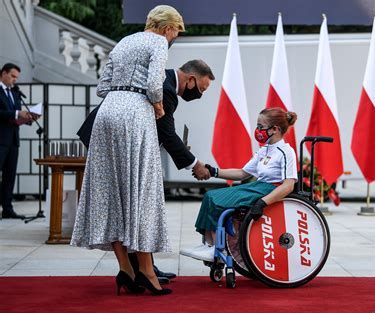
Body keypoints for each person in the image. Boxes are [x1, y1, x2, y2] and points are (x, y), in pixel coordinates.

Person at [70, 5, 184, 296]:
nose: (173, 40)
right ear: (168, 28)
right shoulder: (158, 42)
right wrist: (157, 106)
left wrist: (120, 96)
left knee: (111, 190)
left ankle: (126, 269)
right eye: (176, 34)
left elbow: (102, 85)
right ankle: (146, 271)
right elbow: (154, 83)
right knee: (140, 191)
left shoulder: (124, 41)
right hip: (135, 112)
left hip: (107, 110)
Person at [128, 59, 215, 282]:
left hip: (129, 147)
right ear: (191, 79)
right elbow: (167, 133)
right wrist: (195, 164)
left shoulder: (164, 82)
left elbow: (159, 131)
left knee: (138, 210)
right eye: (201, 89)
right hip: (121, 148)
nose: (200, 95)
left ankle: (145, 267)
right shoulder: (166, 89)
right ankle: (141, 269)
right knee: (139, 211)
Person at [180, 108, 298, 261]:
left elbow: (289, 185)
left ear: (275, 129)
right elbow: (242, 173)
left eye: (261, 127)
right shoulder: (265, 150)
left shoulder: (286, 152)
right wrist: (213, 171)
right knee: (210, 196)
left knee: (217, 201)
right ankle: (209, 245)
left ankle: (218, 248)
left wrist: (263, 202)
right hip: (258, 186)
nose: (258, 131)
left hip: (270, 189)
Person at [0, 63, 37, 220]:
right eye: (13, 76)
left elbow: (16, 116)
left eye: (17, 77)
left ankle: (7, 209)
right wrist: (17, 113)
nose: (15, 80)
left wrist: (29, 118)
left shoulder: (14, 93)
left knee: (10, 176)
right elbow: (5, 113)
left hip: (13, 140)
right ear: (3, 73)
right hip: (1, 139)